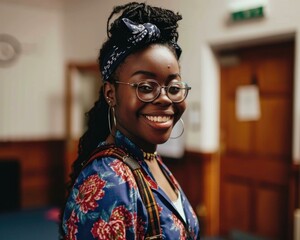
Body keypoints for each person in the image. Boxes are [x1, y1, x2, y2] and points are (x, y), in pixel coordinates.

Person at [61, 2, 200, 239]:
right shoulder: (110, 183)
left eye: (174, 86)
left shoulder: (149, 158)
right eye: (146, 87)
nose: (165, 98)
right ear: (110, 93)